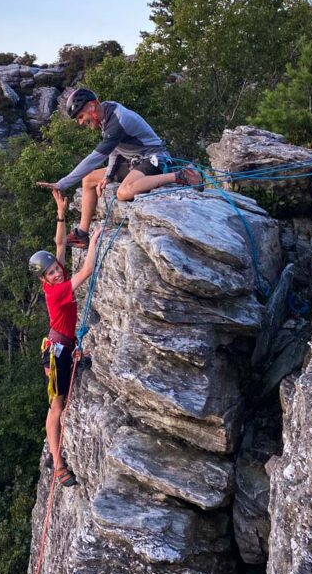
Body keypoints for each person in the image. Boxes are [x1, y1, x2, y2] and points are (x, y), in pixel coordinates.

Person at [36, 88, 204, 248]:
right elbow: (115, 150)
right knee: (88, 180)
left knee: (123, 192)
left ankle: (181, 175)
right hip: (135, 161)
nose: (80, 122)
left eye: (80, 116)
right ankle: (82, 234)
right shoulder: (106, 113)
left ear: (91, 106)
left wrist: (62, 183)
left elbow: (95, 158)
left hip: (154, 158)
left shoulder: (117, 119)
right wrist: (108, 176)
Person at [29, 189, 102, 488]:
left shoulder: (55, 277)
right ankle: (58, 464)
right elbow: (86, 269)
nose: (57, 273)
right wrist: (94, 241)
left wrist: (61, 212)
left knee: (61, 404)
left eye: (56, 270)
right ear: (44, 280)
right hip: (58, 352)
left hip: (63, 346)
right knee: (56, 407)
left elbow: (60, 245)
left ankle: (54, 452)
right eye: (50, 273)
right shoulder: (58, 291)